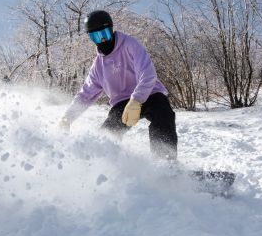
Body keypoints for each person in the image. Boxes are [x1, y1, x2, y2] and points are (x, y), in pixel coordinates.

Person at [60, 10, 178, 161]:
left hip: (150, 94)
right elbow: (85, 95)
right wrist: (67, 118)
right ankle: (104, 165)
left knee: (164, 114)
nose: (102, 40)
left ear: (111, 29)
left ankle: (165, 162)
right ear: (91, 38)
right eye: (96, 36)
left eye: (105, 34)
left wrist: (136, 100)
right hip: (122, 103)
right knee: (107, 134)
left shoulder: (129, 44)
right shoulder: (98, 66)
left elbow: (148, 74)